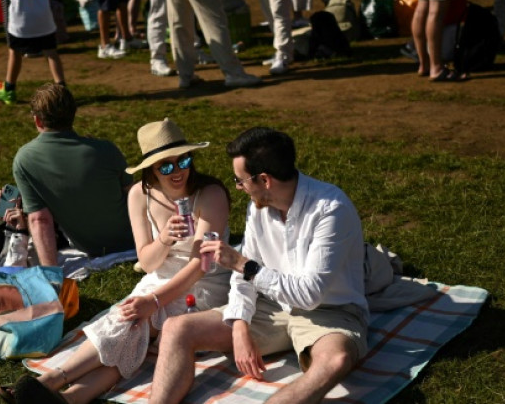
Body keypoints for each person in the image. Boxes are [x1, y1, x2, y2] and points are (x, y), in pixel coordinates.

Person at [0, 119, 232, 404]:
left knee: (130, 324)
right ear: (151, 169)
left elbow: (201, 265)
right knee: (129, 330)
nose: (177, 171)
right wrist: (165, 240)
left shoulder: (210, 194)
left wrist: (154, 302)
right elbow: (147, 263)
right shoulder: (139, 195)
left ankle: (49, 381)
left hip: (203, 285)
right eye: (165, 166)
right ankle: (70, 399)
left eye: (183, 160)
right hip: (158, 278)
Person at [149, 127, 368, 404]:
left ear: (264, 179)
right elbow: (244, 276)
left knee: (336, 360)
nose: (238, 187)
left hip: (330, 311)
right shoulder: (259, 206)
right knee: (176, 328)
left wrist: (241, 263)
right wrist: (240, 325)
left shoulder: (331, 209)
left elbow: (308, 295)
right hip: (272, 305)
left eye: (240, 180)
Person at [12, 84, 134, 267]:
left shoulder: (25, 159)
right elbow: (133, 193)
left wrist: (51, 274)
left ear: (37, 121)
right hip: (134, 239)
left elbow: (39, 219)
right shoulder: (106, 149)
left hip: (91, 248)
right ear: (73, 114)